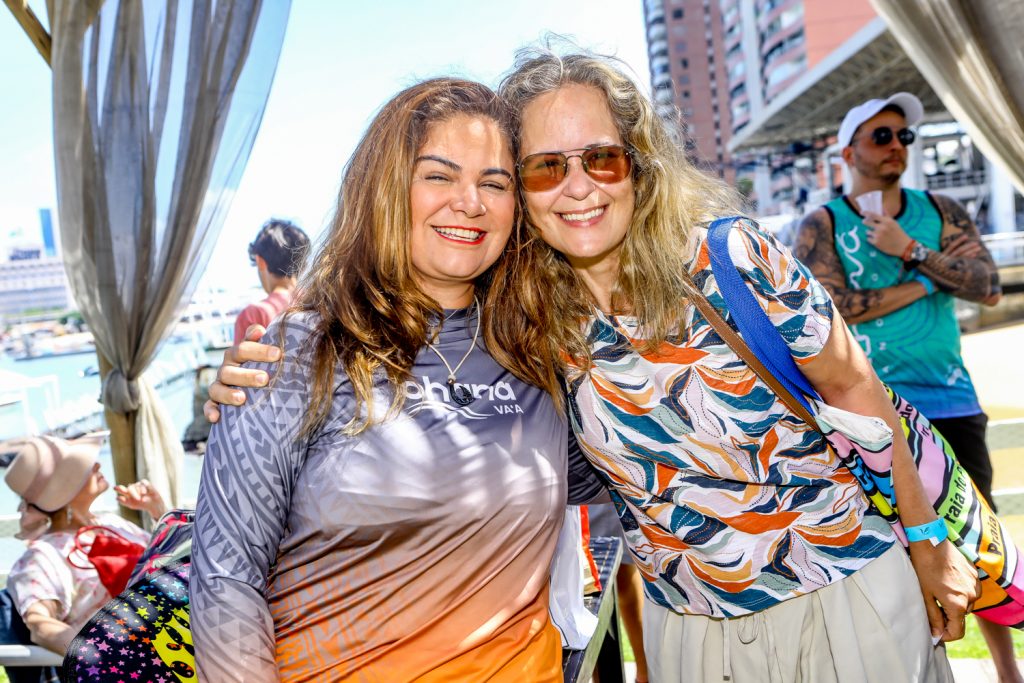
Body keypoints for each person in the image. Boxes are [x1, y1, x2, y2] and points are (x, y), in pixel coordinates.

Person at [207, 49, 980, 682]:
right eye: (542, 168)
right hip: (697, 638)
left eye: (599, 158)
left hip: (841, 594)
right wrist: (263, 381)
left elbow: (857, 391)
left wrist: (927, 540)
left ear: (637, 165)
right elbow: (234, 567)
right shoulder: (530, 327)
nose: (575, 186)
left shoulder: (704, 268)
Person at [190, 78, 607, 683]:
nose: (470, 202)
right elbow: (226, 577)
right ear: (385, 188)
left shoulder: (541, 356)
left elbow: (637, 479)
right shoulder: (297, 354)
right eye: (438, 176)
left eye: (495, 183)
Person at [793, 93, 1014, 682]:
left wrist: (912, 251)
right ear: (848, 151)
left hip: (948, 399)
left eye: (904, 138)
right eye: (881, 136)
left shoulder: (937, 210)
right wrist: (925, 280)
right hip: (865, 414)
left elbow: (989, 284)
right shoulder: (823, 224)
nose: (897, 147)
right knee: (888, 552)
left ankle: (1008, 672)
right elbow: (824, 309)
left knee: (977, 539)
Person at [2, 434, 165, 655]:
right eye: (85, 466)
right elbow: (40, 624)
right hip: (134, 661)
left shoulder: (110, 523)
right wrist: (100, 658)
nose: (97, 463)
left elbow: (171, 565)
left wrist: (159, 512)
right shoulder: (43, 555)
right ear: (62, 490)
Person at [234, 218, 311, 346]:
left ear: (260, 262)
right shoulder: (318, 302)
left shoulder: (253, 314)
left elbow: (239, 363)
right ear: (304, 265)